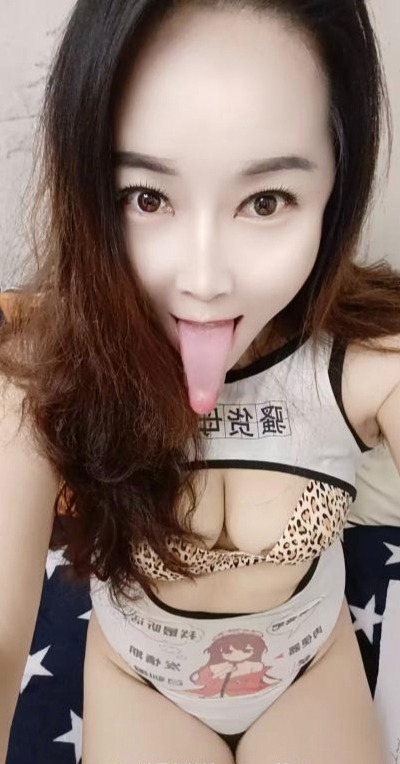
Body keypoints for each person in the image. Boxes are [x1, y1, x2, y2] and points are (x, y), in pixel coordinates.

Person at [1, 1, 399, 762]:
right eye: (146, 198)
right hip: (141, 683)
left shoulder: (369, 363)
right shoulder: (45, 372)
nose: (206, 280)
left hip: (310, 671)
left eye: (266, 201)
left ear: (336, 191)